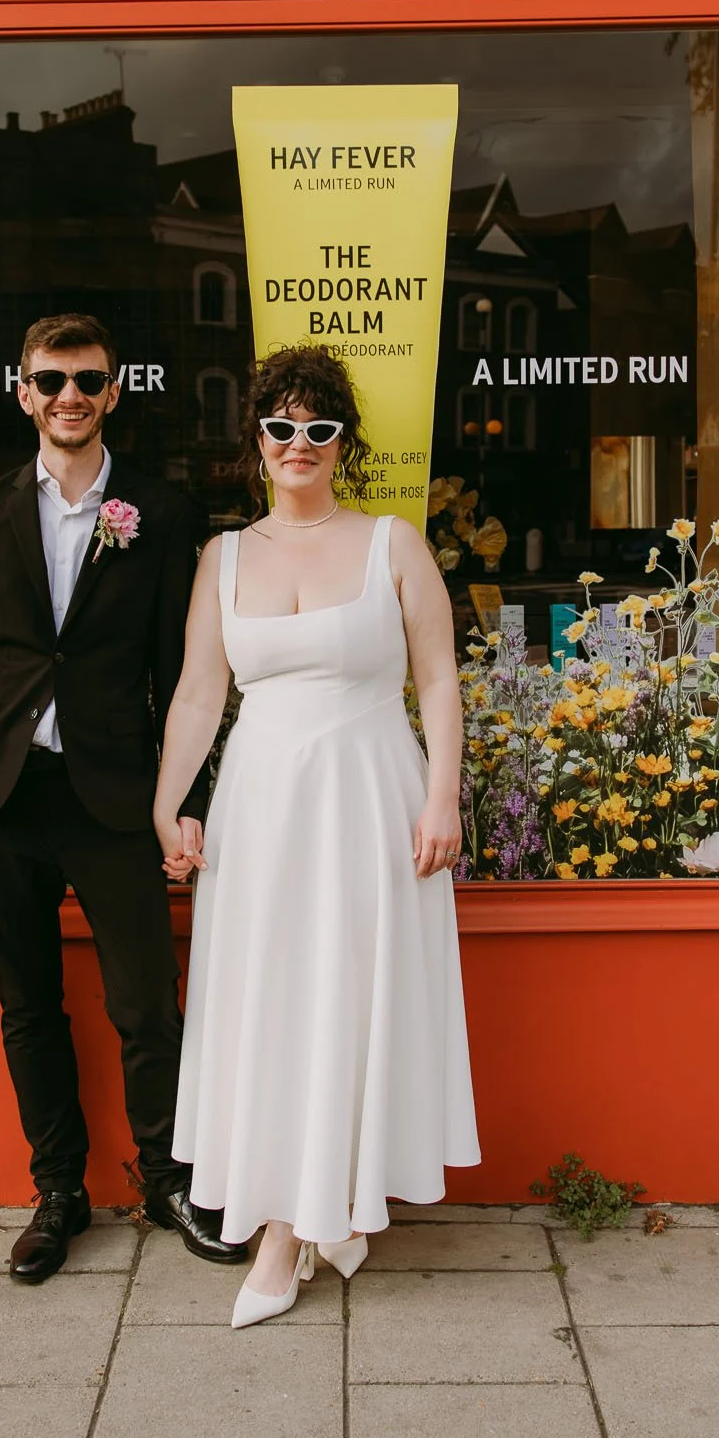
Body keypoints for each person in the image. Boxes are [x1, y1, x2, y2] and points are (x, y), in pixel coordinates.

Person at [152, 344, 481, 1328]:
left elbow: (437, 679)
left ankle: (299, 1224)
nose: (299, 444)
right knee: (274, 1003)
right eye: (281, 427)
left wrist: (441, 797)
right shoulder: (223, 557)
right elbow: (201, 692)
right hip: (261, 807)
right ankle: (301, 1211)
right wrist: (168, 804)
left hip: (370, 796)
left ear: (344, 443)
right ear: (255, 441)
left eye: (319, 428)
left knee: (349, 995)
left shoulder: (393, 543)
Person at [0, 313, 249, 1282]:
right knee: (29, 1006)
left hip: (115, 792)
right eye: (50, 378)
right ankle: (57, 1190)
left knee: (147, 1004)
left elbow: (183, 672)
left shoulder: (161, 510)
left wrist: (183, 797)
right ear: (22, 391)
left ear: (113, 392)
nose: (69, 394)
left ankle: (166, 1179)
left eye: (87, 378)